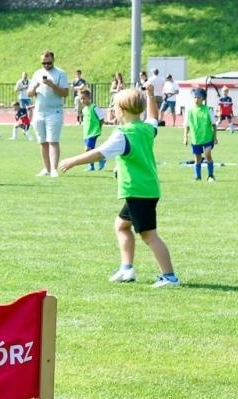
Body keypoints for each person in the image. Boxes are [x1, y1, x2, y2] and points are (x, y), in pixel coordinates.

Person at [57, 84, 178, 287]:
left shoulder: (123, 133)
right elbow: (154, 117)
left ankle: (169, 277)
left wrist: (72, 161)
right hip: (146, 189)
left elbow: (99, 153)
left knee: (149, 235)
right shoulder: (147, 129)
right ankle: (126, 269)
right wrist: (149, 95)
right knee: (121, 226)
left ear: (121, 110)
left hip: (137, 190)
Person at [30, 50, 70, 177]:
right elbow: (29, 93)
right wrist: (34, 88)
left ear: (53, 60)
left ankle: (54, 169)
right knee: (43, 142)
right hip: (39, 111)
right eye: (44, 63)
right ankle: (46, 168)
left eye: (48, 63)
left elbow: (65, 93)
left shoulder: (60, 73)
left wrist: (52, 85)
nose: (46, 65)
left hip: (54, 111)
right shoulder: (37, 73)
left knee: (53, 140)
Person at [183, 87, 217, 181]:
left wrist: (215, 137)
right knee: (197, 159)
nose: (196, 100)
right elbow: (186, 125)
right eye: (195, 97)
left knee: (207, 155)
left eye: (198, 97)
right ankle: (198, 177)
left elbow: (214, 125)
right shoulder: (189, 110)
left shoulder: (208, 110)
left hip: (207, 138)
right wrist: (185, 137)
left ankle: (210, 175)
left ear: (203, 99)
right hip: (195, 139)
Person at [77, 86, 106, 171]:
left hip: (93, 133)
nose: (82, 100)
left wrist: (99, 128)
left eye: (84, 98)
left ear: (89, 98)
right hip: (86, 133)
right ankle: (98, 161)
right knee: (91, 150)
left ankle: (93, 164)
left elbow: (101, 118)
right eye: (81, 99)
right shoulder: (84, 109)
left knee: (87, 149)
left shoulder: (94, 107)